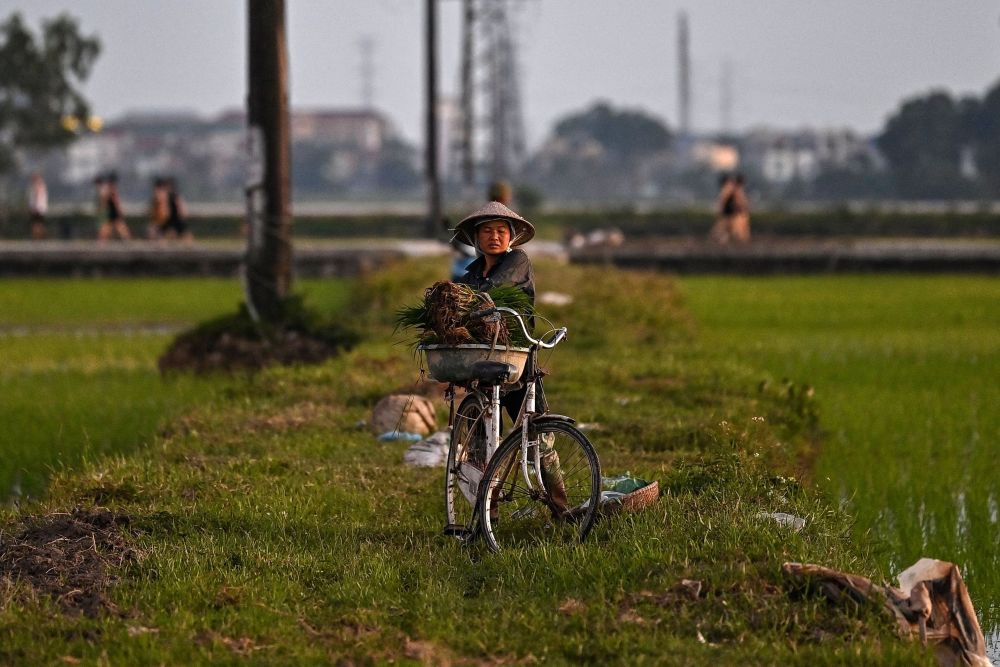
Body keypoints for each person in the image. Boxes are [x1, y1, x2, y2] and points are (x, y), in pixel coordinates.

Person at [452, 201, 569, 514]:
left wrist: (467, 303)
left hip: (517, 362)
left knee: (540, 438)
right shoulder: (470, 274)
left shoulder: (518, 261)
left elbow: (493, 290)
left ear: (511, 237)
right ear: (476, 238)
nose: (494, 236)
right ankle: (485, 511)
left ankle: (562, 508)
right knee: (482, 444)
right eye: (487, 231)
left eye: (501, 231)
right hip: (482, 362)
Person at [97, 172, 131, 241]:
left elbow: (107, 201)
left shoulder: (108, 189)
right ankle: (127, 240)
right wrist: (119, 210)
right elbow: (115, 201)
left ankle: (102, 241)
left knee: (115, 227)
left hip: (112, 211)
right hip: (112, 211)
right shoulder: (111, 189)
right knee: (114, 227)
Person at [162, 178, 193, 242]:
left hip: (176, 218)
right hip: (169, 219)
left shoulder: (175, 196)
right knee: (165, 235)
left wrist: (182, 214)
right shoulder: (166, 196)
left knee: (185, 234)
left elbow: (181, 207)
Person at [27, 173, 48, 240]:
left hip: (37, 208)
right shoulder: (41, 186)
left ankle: (37, 237)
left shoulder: (37, 186)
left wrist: (35, 207)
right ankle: (39, 237)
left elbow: (37, 197)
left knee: (36, 224)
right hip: (41, 208)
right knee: (39, 224)